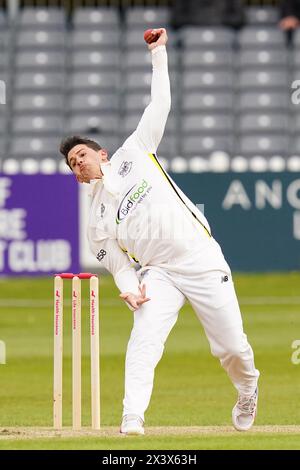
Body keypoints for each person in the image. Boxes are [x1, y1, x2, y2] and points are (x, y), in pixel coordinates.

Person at [60, 28, 259, 435]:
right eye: (71, 164)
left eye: (80, 154)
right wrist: (130, 286)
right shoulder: (96, 220)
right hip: (159, 274)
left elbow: (161, 103)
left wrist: (159, 54)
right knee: (143, 343)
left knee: (231, 348)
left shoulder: (136, 149)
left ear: (101, 153)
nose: (77, 164)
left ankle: (248, 387)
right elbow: (117, 264)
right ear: (77, 179)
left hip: (200, 259)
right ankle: (132, 416)